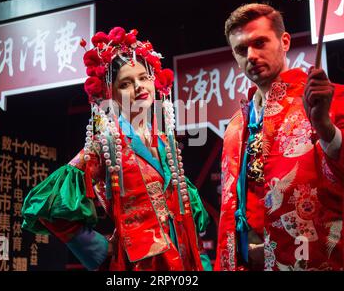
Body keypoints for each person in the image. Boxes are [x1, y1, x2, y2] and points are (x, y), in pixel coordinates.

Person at [22, 27, 212, 271]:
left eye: (144, 78)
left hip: (184, 259)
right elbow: (48, 204)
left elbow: (187, 213)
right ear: (111, 94)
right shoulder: (105, 144)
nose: (139, 87)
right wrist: (99, 248)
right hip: (140, 263)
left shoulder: (166, 142)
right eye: (126, 83)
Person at [215, 3, 344, 271]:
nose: (251, 55)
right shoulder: (235, 126)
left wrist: (325, 127)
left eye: (260, 42)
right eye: (241, 49)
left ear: (285, 41)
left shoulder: (331, 99)